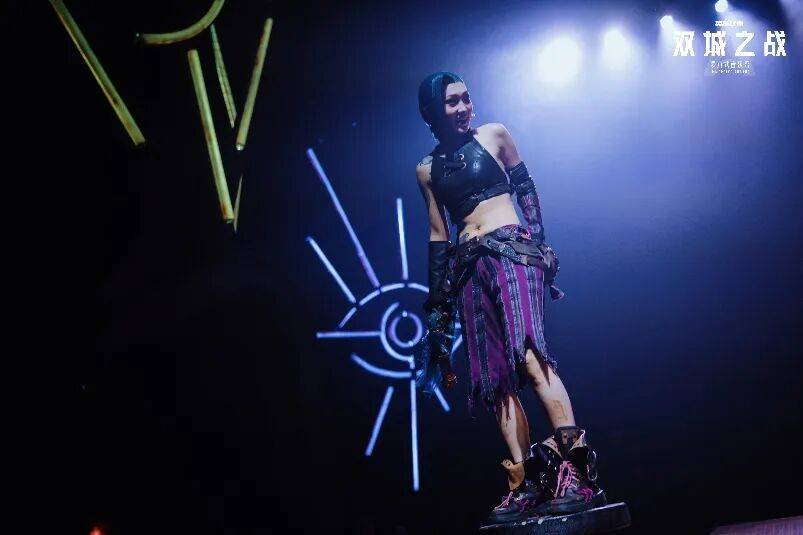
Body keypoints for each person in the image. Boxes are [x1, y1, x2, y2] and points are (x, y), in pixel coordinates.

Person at [414, 71, 606, 524]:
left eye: (465, 98)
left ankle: (577, 472)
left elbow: (525, 187)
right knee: (493, 380)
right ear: (432, 111)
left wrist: (540, 245)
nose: (463, 108)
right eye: (452, 102)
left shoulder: (494, 135)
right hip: (467, 267)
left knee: (530, 357)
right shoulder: (426, 169)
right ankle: (525, 482)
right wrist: (437, 306)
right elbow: (439, 235)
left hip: (512, 252)